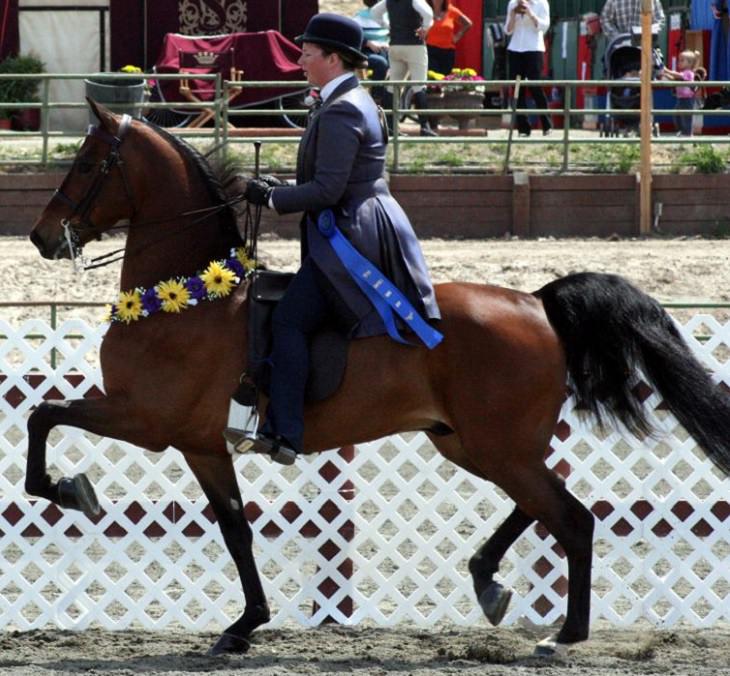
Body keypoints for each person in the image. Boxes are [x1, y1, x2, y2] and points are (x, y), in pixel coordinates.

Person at [224, 13, 441, 465]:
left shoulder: (343, 109)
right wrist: (278, 184)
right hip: (351, 222)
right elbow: (326, 177)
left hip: (351, 236)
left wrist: (271, 197)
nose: (299, 58)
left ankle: (286, 432)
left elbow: (327, 191)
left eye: (307, 52)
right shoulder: (342, 100)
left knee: (289, 319)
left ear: (333, 58)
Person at [370, 0, 438, 136]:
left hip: (395, 45)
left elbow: (374, 12)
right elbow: (428, 14)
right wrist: (424, 28)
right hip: (414, 45)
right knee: (419, 85)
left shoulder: (388, 1)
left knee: (393, 85)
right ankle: (425, 127)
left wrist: (387, 26)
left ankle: (390, 126)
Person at [504, 0, 552, 137]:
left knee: (535, 86)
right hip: (515, 48)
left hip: (534, 49)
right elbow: (507, 30)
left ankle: (546, 124)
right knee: (517, 88)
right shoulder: (512, 3)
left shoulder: (541, 3)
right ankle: (523, 128)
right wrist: (513, 14)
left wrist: (531, 14)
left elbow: (544, 27)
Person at [353, 0, 391, 103]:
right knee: (381, 63)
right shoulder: (360, 17)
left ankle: (389, 96)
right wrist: (369, 43)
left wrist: (388, 43)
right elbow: (354, 36)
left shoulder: (387, 16)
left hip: (385, 50)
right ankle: (376, 97)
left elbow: (393, 33)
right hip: (366, 52)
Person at [425, 0, 473, 77]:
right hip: (430, 50)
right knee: (432, 77)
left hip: (447, 51)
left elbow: (468, 24)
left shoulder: (451, 10)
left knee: (446, 79)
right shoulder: (425, 10)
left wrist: (457, 36)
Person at [661, 50, 702, 137]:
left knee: (686, 116)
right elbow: (674, 78)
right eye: (679, 60)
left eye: (682, 60)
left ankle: (687, 133)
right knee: (677, 115)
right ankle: (681, 130)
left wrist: (667, 70)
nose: (679, 62)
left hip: (687, 99)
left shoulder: (689, 73)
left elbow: (677, 76)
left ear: (690, 63)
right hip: (681, 98)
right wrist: (665, 74)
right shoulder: (682, 73)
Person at [600, 0, 665, 42]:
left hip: (625, 48)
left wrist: (617, 37)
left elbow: (605, 19)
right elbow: (660, 20)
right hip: (625, 48)